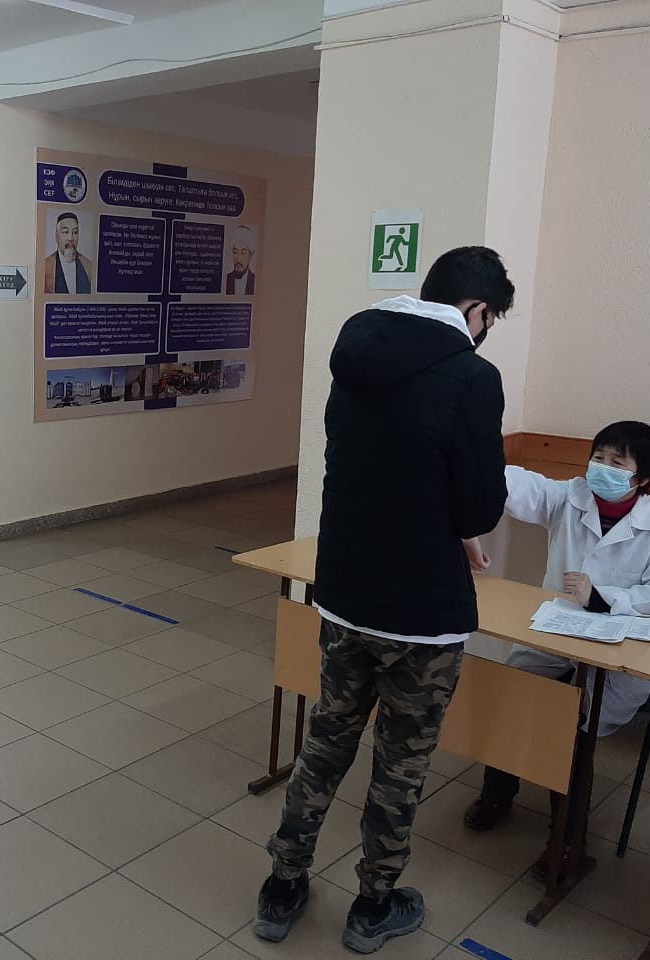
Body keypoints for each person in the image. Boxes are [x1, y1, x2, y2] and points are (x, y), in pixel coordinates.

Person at [255, 247, 514, 954]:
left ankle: (282, 885)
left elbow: (377, 468)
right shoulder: (472, 376)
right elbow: (478, 504)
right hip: (421, 616)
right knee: (401, 764)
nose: (486, 332)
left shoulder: (358, 351)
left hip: (345, 594)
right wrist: (458, 528)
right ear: (477, 310)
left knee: (326, 741)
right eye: (490, 320)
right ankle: (374, 905)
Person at [462, 421, 650, 874]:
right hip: (554, 635)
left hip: (618, 651)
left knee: (571, 727)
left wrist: (601, 597)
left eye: (616, 462)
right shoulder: (571, 497)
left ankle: (568, 839)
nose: (601, 467)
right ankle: (497, 794)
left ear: (642, 478)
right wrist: (472, 449)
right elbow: (518, 486)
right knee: (511, 696)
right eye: (598, 457)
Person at [43, 213, 94, 294]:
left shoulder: (88, 266)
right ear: (57, 236)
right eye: (66, 232)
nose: (70, 238)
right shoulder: (46, 267)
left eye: (75, 232)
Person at [226, 224, 257, 295]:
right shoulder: (226, 279)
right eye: (235, 252)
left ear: (250, 256)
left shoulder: (255, 280)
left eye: (243, 253)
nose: (238, 259)